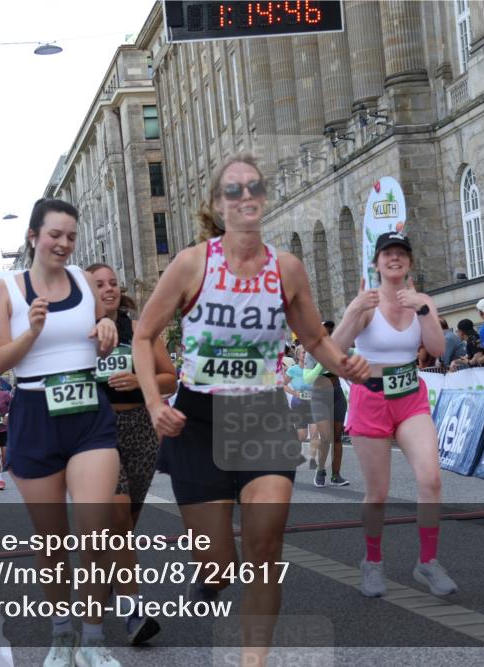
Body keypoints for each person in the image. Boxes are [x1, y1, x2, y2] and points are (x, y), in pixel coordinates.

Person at [132, 154, 370, 666]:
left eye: (252, 189)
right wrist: (154, 402)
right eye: (232, 191)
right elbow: (144, 333)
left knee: (265, 549)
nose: (244, 198)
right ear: (218, 205)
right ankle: (210, 577)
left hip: (260, 415)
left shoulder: (286, 269)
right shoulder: (193, 263)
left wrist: (343, 363)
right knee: (219, 565)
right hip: (197, 421)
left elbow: (313, 338)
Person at [0, 198, 121, 666]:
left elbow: (102, 334)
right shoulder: (5, 289)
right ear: (33, 237)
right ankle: (62, 637)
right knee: (52, 541)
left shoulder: (84, 280)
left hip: (88, 415)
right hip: (35, 414)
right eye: (54, 235)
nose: (63, 244)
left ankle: (94, 640)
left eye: (70, 236)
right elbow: (0, 360)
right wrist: (32, 332)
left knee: (96, 530)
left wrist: (105, 326)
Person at [332, 231, 457, 600]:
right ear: (376, 262)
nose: (395, 258)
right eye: (388, 253)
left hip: (409, 397)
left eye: (402, 253)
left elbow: (436, 349)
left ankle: (428, 562)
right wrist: (353, 312)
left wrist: (422, 309)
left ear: (410, 262)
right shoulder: (366, 304)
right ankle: (372, 562)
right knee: (378, 493)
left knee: (431, 479)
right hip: (370, 399)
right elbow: (334, 350)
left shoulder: (422, 302)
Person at [86, 261, 176, 645]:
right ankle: (134, 614)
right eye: (97, 284)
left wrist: (141, 379)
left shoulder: (138, 330)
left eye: (112, 283)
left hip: (140, 428)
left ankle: (106, 582)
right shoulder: (74, 333)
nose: (107, 289)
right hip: (95, 431)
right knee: (119, 516)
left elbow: (170, 378)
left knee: (125, 524)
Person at [307, 321, 352, 487]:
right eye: (326, 332)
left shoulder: (337, 349)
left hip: (337, 395)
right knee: (326, 437)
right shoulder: (311, 352)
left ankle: (336, 475)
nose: (328, 335)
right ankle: (321, 470)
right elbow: (308, 378)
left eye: (331, 332)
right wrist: (322, 363)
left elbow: (355, 353)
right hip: (319, 397)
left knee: (337, 437)